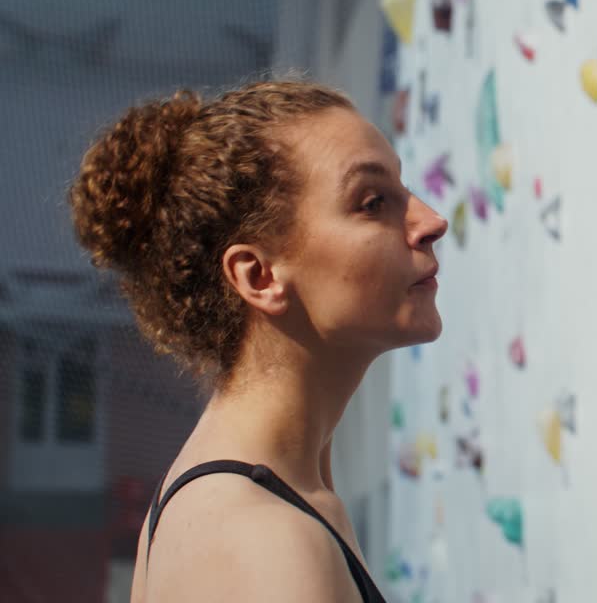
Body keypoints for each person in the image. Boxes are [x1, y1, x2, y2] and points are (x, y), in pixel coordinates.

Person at [68, 81, 447, 602]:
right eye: (373, 202)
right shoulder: (265, 545)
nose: (431, 221)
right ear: (258, 276)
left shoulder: (269, 497)